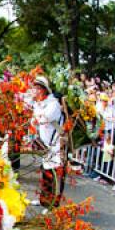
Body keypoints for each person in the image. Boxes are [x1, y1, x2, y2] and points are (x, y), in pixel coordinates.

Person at [30, 76, 64, 209]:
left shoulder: (53, 104)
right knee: (45, 173)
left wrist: (37, 117)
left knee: (54, 175)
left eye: (38, 88)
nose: (36, 91)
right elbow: (35, 119)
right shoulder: (40, 103)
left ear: (45, 90)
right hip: (45, 145)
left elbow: (42, 119)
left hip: (55, 146)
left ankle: (52, 205)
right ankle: (43, 201)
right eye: (35, 88)